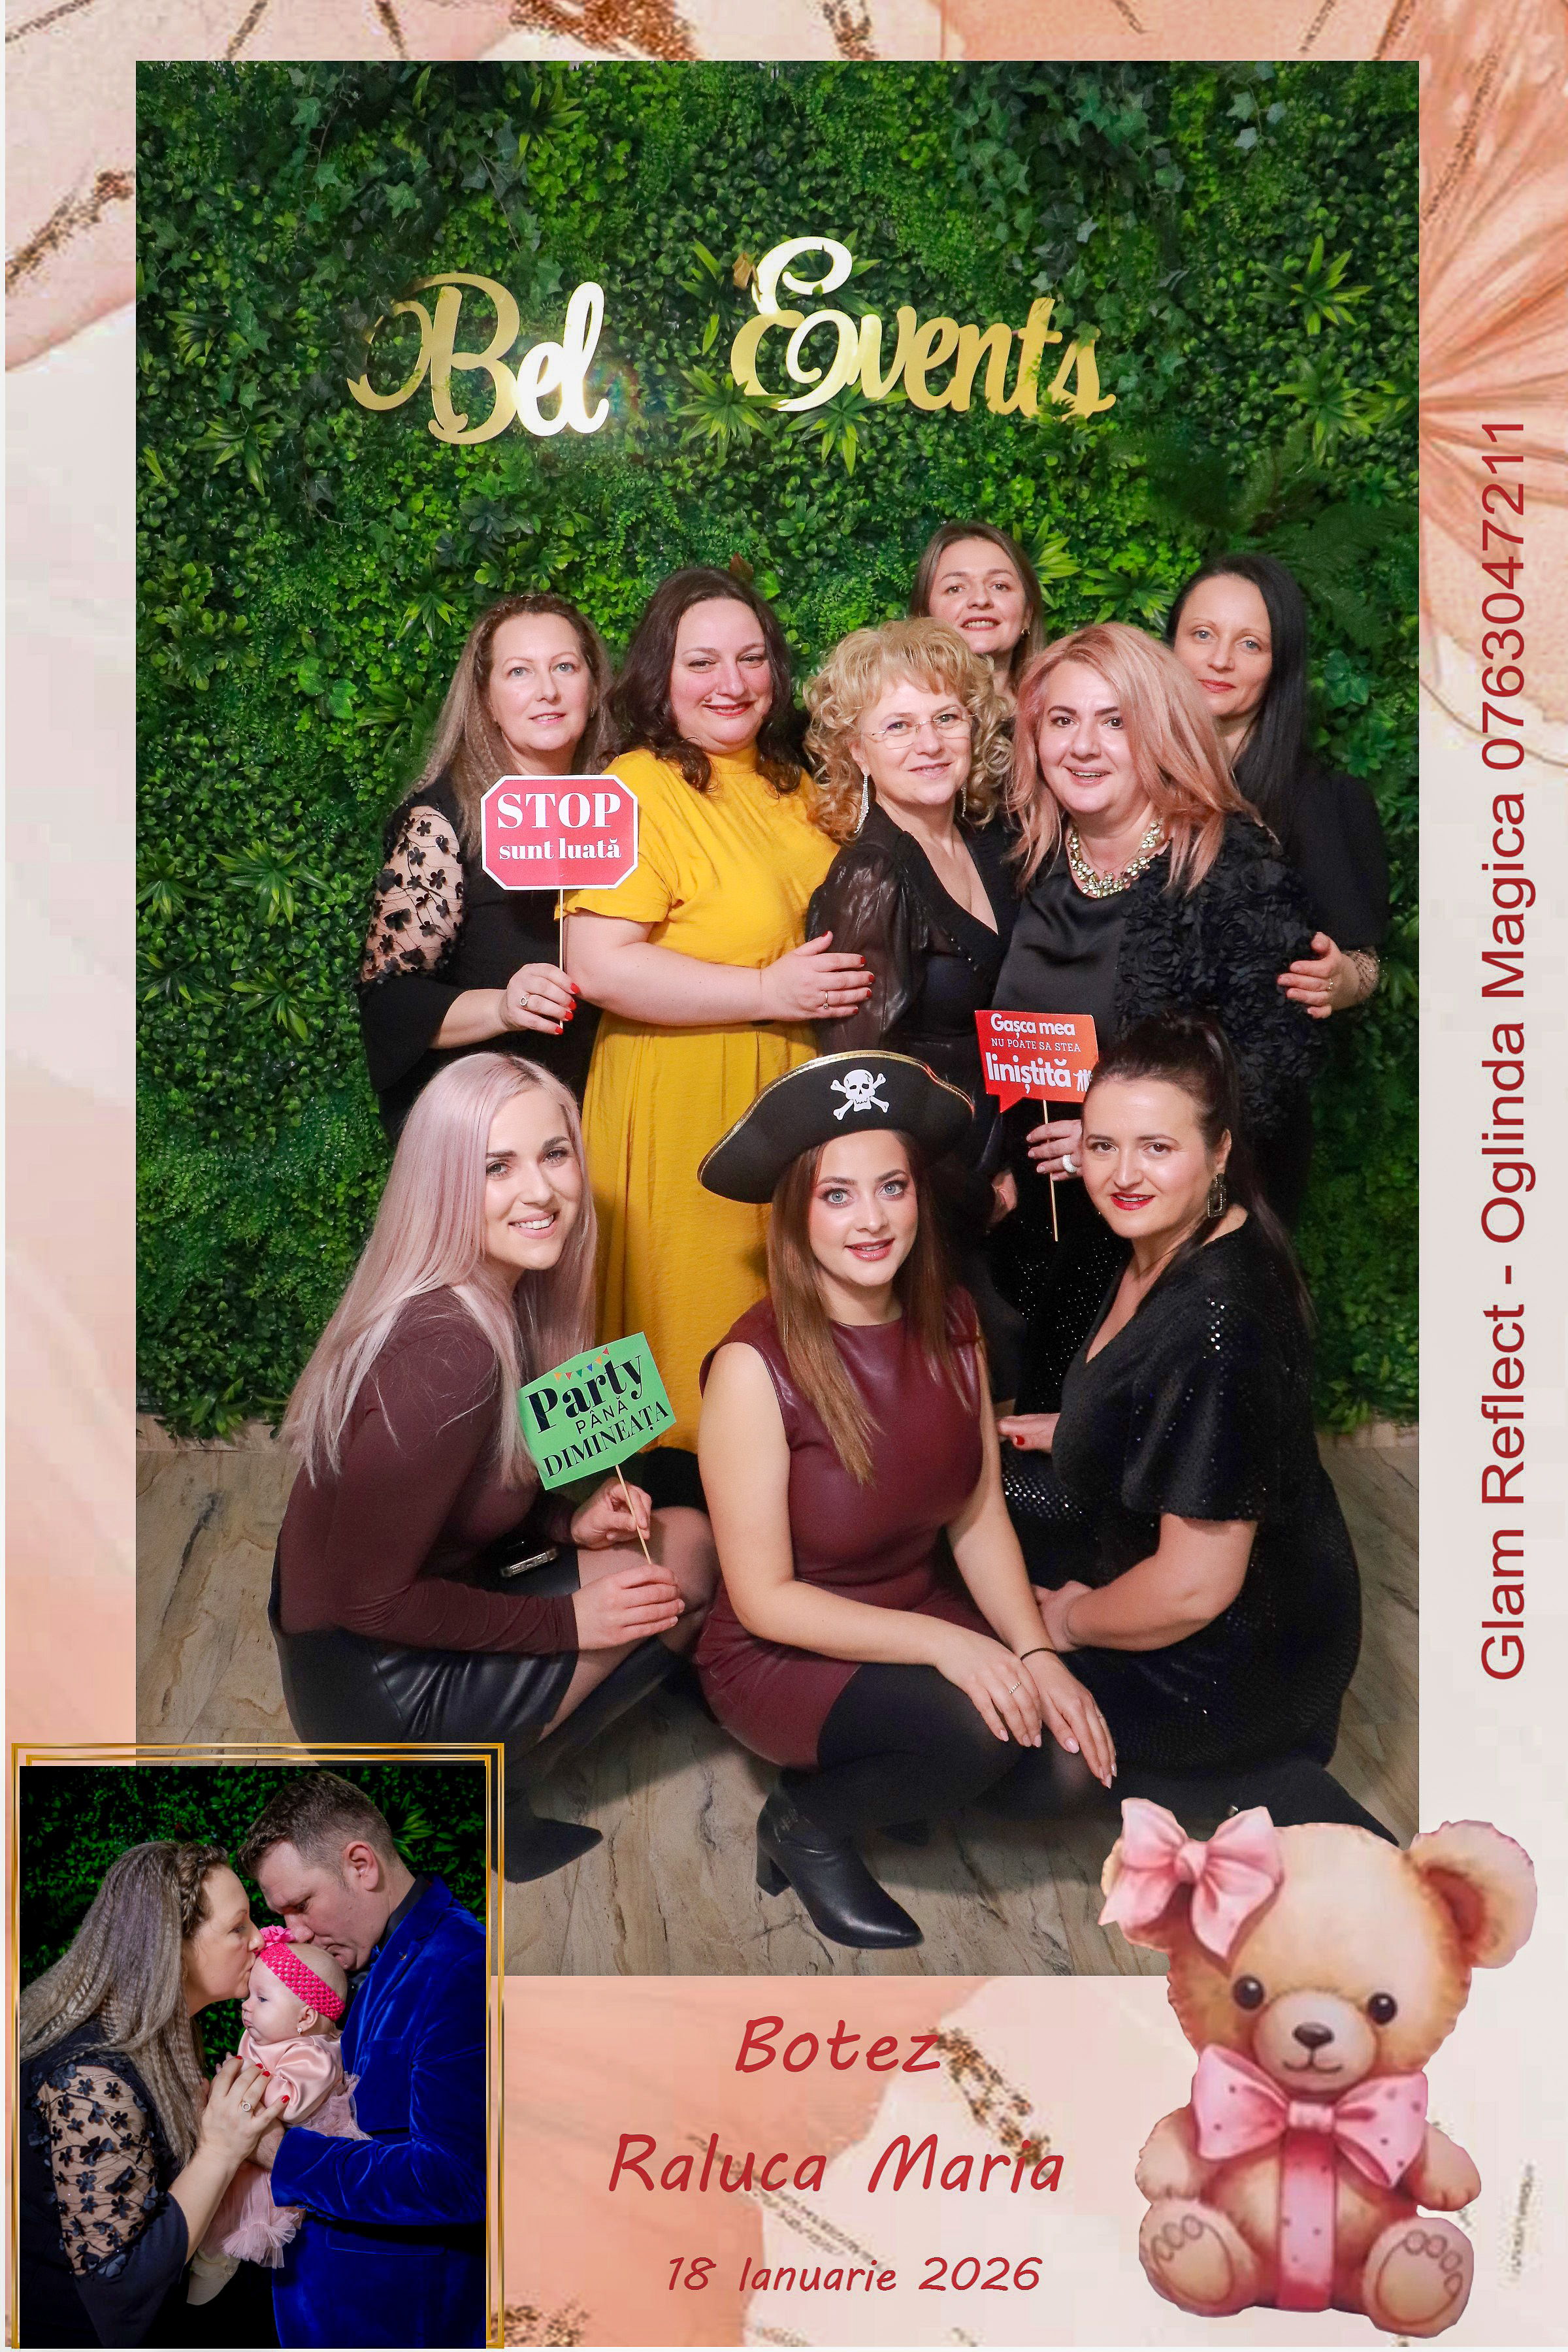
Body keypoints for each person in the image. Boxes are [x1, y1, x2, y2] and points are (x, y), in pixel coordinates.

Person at [695, 1052, 1115, 1953]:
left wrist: (1035, 1652)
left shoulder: (956, 1320)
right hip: (784, 1649)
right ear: (795, 1213)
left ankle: (904, 1766)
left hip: (917, 1603)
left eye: (892, 1187)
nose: (873, 1219)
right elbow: (765, 1599)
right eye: (837, 1195)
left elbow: (977, 1515)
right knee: (974, 1734)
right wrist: (951, 1646)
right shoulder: (751, 1368)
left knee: (1070, 1768)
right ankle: (805, 1823)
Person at [269, 1053, 717, 1882]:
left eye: (555, 1154)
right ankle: (476, 1803)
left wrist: (565, 1523)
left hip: (378, 1631)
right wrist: (570, 1623)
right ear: (442, 1183)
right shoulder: (449, 1351)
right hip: (374, 1687)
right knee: (683, 1562)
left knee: (674, 1535)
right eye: (496, 1167)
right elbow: (370, 1598)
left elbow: (461, 1496)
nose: (540, 1191)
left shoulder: (499, 1296)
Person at [998, 1013, 1384, 1835]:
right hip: (1201, 1580)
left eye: (1157, 1148)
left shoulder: (1220, 1320)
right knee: (972, 1503)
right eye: (1102, 1146)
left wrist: (1063, 1622)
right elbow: (1175, 1403)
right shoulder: (1169, 1238)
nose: (1123, 1175)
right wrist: (1086, 1423)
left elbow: (1192, 1588)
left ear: (1219, 1152)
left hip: (1228, 1664)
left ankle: (1247, 1783)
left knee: (986, 1732)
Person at [564, 567, 870, 1469]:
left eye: (751, 658)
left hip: (788, 1094)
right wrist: (768, 993)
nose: (731, 683)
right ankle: (631, 1517)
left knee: (777, 1336)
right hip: (681, 1103)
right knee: (681, 1334)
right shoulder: (632, 787)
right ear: (658, 675)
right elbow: (596, 964)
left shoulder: (794, 783)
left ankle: (763, 1521)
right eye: (701, 662)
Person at [992, 621, 1325, 1409]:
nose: (1083, 746)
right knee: (1043, 1455)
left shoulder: (1230, 870)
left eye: (1115, 721)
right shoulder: (1026, 862)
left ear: (1163, 731)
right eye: (1062, 720)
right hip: (1039, 1243)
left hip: (1171, 1259)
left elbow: (1269, 1078)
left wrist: (1114, 1146)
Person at [803, 616, 1021, 1385]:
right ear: (856, 750)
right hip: (933, 1196)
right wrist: (966, 1190)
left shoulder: (988, 844)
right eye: (897, 725)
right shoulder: (872, 875)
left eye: (946, 718)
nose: (928, 743)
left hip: (1008, 1170)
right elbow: (860, 1086)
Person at [1166, 552, 1392, 1221]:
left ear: (1279, 665)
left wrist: (1343, 980)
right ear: (1170, 643)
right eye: (1202, 634)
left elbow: (1363, 960)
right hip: (1116, 1119)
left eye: (1250, 644)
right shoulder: (1118, 775)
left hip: (1245, 1129)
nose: (1220, 660)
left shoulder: (1312, 799)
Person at [237, 1775, 483, 2349]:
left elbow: (459, 2181)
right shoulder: (373, 1962)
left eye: (301, 1905)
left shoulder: (462, 1966)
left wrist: (281, 2152)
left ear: (361, 1865)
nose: (294, 1932)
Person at [358, 593, 615, 1137]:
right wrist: (503, 1007)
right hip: (493, 1127)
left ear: (593, 689)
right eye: (519, 671)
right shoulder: (442, 822)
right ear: (487, 701)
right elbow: (391, 1002)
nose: (547, 691)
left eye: (565, 667)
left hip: (613, 1112)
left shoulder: (629, 805)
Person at [19, 1840, 274, 2347]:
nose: (260, 1939)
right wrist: (220, 2151)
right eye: (238, 1927)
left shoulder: (159, 2041)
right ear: (173, 1949)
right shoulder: (90, 2081)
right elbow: (120, 2294)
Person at [197, 1932, 360, 2285]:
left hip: (277, 2163)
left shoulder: (313, 2055)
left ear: (305, 2018)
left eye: (262, 1998)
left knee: (242, 2213)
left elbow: (290, 2105)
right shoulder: (265, 2035)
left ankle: (216, 2264)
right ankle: (205, 2257)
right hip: (245, 2144)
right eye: (250, 1995)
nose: (246, 2006)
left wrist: (241, 2078)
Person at [908, 520, 1045, 707]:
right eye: (955, 588)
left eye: (999, 586)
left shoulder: (1055, 715)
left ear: (1027, 614)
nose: (980, 599)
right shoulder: (892, 713)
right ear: (924, 614)